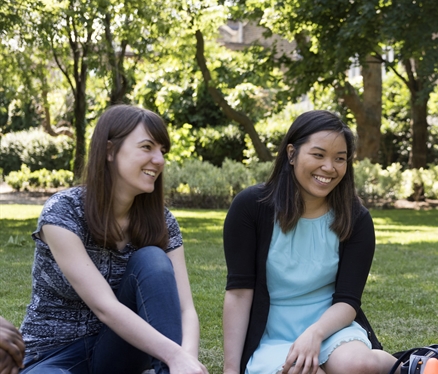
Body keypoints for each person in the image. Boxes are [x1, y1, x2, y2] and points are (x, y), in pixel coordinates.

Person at [19, 105, 207, 374]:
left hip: (121, 350)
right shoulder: (63, 212)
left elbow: (186, 309)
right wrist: (175, 355)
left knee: (152, 258)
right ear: (109, 151)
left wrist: (185, 360)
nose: (159, 160)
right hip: (52, 354)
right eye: (147, 147)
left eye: (162, 151)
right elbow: (104, 306)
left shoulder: (162, 221)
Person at [222, 110, 397, 374]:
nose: (329, 167)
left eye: (340, 159)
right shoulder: (250, 207)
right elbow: (238, 292)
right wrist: (230, 370)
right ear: (291, 154)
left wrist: (315, 333)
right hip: (272, 338)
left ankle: (401, 365)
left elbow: (348, 301)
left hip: (330, 328)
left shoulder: (356, 218)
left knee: (358, 365)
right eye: (318, 155)